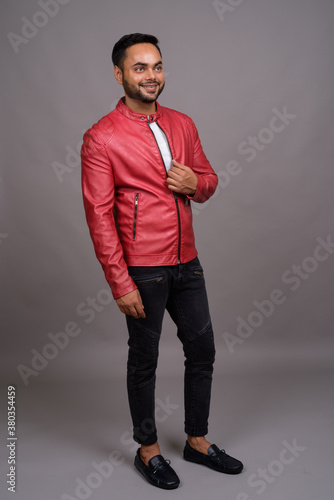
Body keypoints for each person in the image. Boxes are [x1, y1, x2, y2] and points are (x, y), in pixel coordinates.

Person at [81, 33, 243, 490]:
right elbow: (98, 215)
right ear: (119, 74)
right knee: (144, 359)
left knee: (203, 351)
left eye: (156, 66)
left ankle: (197, 441)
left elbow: (208, 181)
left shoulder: (183, 124)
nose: (151, 75)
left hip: (187, 262)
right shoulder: (101, 137)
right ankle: (147, 451)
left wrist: (195, 182)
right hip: (142, 269)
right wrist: (120, 282)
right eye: (139, 67)